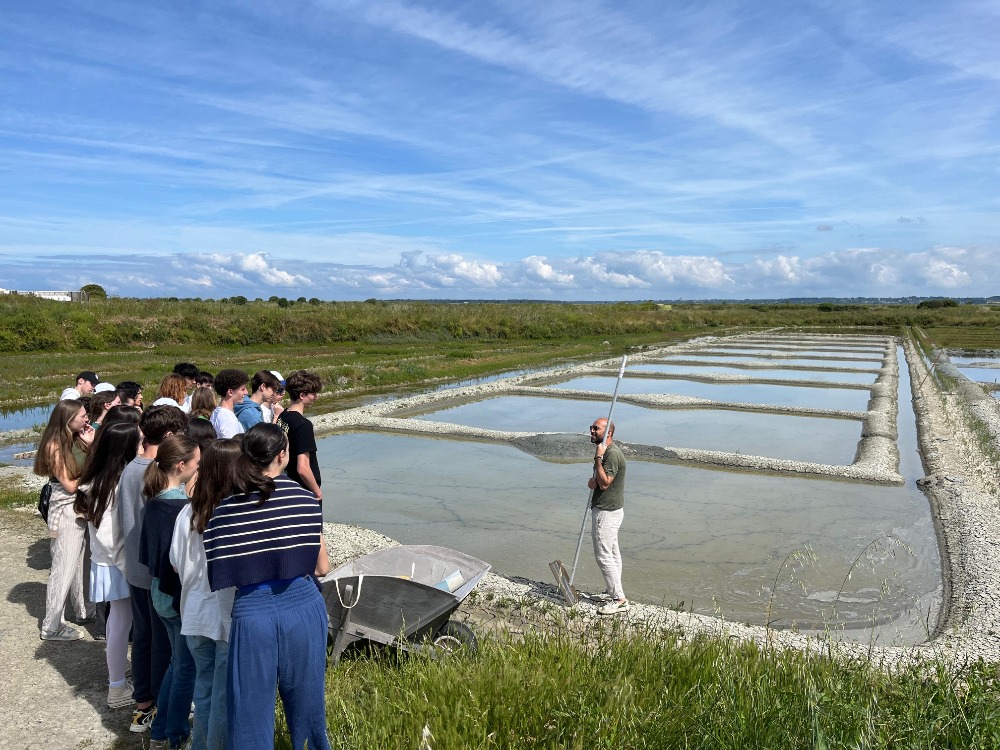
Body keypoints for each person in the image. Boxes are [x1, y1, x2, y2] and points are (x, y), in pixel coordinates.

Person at [204, 423, 331, 750]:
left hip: (253, 610)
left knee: (249, 710)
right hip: (303, 603)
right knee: (308, 704)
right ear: (283, 455)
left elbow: (220, 576)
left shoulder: (224, 511)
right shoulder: (306, 501)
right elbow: (322, 567)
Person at [118, 405, 189, 733]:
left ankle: (142, 705)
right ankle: (161, 709)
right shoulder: (157, 474)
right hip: (155, 573)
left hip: (133, 567)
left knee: (143, 638)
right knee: (162, 644)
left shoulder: (130, 467)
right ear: (171, 436)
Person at [171, 439, 241, 750]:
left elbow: (176, 562)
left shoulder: (187, 512)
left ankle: (198, 744)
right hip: (225, 616)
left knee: (204, 690)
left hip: (194, 612)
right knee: (223, 696)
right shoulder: (236, 514)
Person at [74, 421, 141, 708]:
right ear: (124, 449)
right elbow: (111, 534)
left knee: (118, 622)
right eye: (137, 442)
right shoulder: (114, 483)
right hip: (117, 562)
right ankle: (117, 688)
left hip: (106, 561)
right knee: (121, 623)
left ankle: (118, 676)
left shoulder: (99, 477)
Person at [141, 435, 200, 750]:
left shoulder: (154, 500)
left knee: (177, 663)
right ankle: (175, 735)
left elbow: (148, 556)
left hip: (158, 592)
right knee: (185, 667)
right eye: (197, 463)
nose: (199, 467)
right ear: (182, 465)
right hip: (176, 597)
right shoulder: (182, 508)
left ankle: (160, 731)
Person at [33, 399, 96, 640]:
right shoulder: (54, 446)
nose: (86, 418)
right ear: (67, 419)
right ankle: (52, 626)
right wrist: (92, 480)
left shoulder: (77, 438)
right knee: (63, 566)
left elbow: (83, 468)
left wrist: (89, 445)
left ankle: (83, 609)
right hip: (66, 508)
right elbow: (70, 485)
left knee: (81, 562)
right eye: (81, 415)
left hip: (79, 507)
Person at [587, 417, 629, 615]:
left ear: (608, 433)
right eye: (591, 428)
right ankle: (612, 590)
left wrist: (597, 458)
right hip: (610, 508)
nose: (592, 431)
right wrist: (592, 482)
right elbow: (600, 482)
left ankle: (619, 599)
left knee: (603, 555)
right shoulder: (607, 452)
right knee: (612, 552)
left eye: (596, 428)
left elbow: (605, 484)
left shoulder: (609, 454)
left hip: (606, 512)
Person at [277, 370, 323, 502]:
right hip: (303, 489)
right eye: (313, 394)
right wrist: (317, 491)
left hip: (286, 482)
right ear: (302, 395)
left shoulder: (283, 416)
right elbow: (303, 468)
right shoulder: (303, 425)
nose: (316, 397)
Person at [210, 369, 248, 439]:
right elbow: (230, 446)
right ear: (230, 392)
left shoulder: (217, 412)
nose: (246, 392)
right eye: (242, 389)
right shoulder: (228, 418)